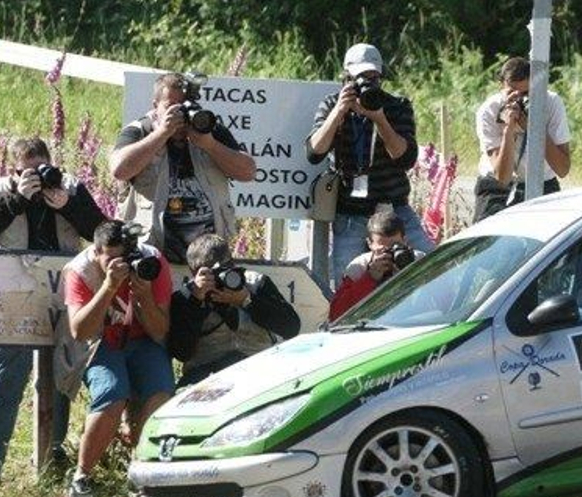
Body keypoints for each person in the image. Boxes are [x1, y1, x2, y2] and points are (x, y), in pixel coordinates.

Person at [0, 136, 105, 497]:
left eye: (42, 169)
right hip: (13, 299)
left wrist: (69, 206)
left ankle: (53, 456)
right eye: (30, 173)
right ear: (14, 171)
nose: (39, 179)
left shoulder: (69, 186)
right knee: (7, 382)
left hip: (61, 293)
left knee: (62, 376)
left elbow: (99, 232)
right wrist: (16, 200)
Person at [58, 220, 174, 497]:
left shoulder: (152, 262)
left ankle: (142, 474)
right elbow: (80, 331)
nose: (122, 264)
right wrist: (109, 287)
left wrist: (144, 295)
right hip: (100, 342)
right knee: (112, 393)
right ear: (96, 252)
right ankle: (82, 476)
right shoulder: (79, 270)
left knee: (160, 394)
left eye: (126, 257)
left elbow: (160, 331)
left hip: (143, 339)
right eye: (112, 259)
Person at [306, 42, 431, 290]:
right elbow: (314, 152)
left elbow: (405, 159)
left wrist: (379, 118)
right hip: (351, 212)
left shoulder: (396, 106)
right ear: (347, 76)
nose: (368, 84)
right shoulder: (332, 104)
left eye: (374, 77)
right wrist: (339, 112)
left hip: (393, 209)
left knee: (430, 266)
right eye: (362, 77)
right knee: (347, 279)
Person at [110, 72, 256, 263]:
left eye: (186, 107)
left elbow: (248, 172)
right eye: (172, 107)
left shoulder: (208, 130)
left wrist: (209, 144)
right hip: (153, 256)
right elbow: (119, 170)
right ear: (155, 107)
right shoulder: (140, 130)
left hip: (207, 259)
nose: (181, 115)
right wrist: (161, 134)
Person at [168, 233, 300, 386]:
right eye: (211, 274)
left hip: (260, 369)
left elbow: (291, 327)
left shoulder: (256, 283)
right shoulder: (185, 298)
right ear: (195, 273)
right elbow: (181, 352)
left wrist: (246, 300)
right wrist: (196, 302)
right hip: (207, 376)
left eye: (225, 269)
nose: (219, 278)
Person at [474, 56, 572, 221]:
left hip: (543, 183)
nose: (519, 100)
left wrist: (535, 128)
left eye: (526, 94)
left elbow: (562, 169)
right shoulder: (489, 110)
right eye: (512, 93)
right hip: (498, 189)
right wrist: (509, 129)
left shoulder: (551, 103)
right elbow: (502, 177)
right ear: (501, 86)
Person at [327, 207, 422, 321]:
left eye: (395, 246)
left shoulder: (419, 260)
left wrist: (412, 272)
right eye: (383, 249)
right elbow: (336, 314)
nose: (390, 253)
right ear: (370, 244)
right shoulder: (359, 267)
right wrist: (369, 278)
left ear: (405, 241)